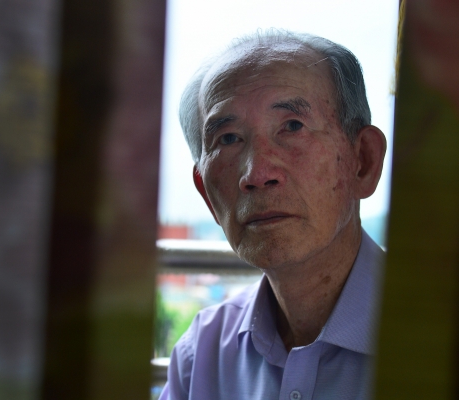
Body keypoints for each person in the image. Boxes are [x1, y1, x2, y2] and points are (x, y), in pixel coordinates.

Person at [159, 30, 387, 400]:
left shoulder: (435, 339)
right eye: (229, 139)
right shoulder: (201, 353)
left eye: (292, 126)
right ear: (207, 194)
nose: (257, 173)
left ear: (363, 161)